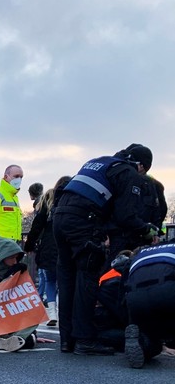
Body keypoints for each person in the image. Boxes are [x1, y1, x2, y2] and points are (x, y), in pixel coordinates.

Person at [53, 143, 157, 356]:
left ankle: (67, 340)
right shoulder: (129, 173)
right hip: (83, 221)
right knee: (87, 276)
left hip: (60, 218)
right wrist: (146, 230)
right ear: (141, 166)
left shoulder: (99, 162)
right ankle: (84, 340)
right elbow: (125, 216)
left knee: (67, 277)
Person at [24, 176, 71, 326]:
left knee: (50, 280)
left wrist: (29, 245)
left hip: (49, 246)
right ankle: (67, 313)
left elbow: (37, 226)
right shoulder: (73, 199)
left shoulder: (48, 199)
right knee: (66, 281)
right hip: (67, 245)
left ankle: (52, 314)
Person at [123, 242, 175, 369]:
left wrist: (130, 321)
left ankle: (141, 342)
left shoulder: (138, 256)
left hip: (136, 299)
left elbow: (122, 290)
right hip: (167, 292)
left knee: (152, 340)